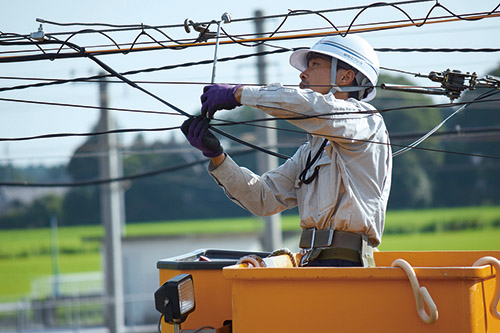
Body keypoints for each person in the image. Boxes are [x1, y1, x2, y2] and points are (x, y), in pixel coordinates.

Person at [181, 34, 392, 267]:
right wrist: (218, 157)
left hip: (348, 263)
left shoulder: (367, 121)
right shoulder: (310, 151)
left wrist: (240, 93)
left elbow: (315, 108)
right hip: (311, 262)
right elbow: (263, 198)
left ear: (345, 76)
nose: (303, 74)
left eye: (315, 65)